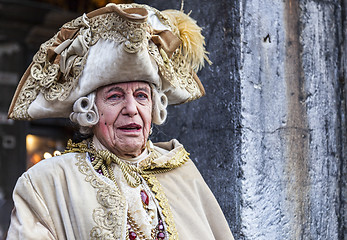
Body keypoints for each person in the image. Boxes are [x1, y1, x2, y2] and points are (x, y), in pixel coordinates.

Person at [6, 3, 234, 240]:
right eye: (115, 96)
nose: (131, 109)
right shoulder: (47, 182)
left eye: (141, 96)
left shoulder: (183, 174)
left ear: (155, 107)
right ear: (89, 110)